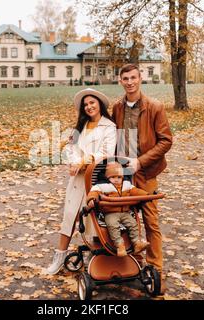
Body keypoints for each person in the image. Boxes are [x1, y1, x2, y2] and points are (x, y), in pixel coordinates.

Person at [111, 64, 173, 292]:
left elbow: (166, 141)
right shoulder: (117, 107)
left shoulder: (154, 107)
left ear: (140, 78)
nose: (130, 82)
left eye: (133, 78)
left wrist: (141, 161)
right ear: (120, 81)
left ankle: (156, 270)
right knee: (123, 218)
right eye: (125, 78)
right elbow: (108, 132)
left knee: (150, 221)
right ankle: (132, 264)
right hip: (123, 175)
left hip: (145, 172)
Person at [45, 88, 117, 275]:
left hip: (96, 178)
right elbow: (70, 148)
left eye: (92, 103)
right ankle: (59, 257)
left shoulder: (109, 126)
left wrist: (84, 161)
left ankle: (96, 259)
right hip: (77, 179)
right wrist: (72, 162)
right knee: (70, 215)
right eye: (85, 105)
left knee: (93, 218)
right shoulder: (81, 126)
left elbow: (106, 152)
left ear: (99, 104)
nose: (89, 107)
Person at [86, 162, 149, 257]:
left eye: (119, 177)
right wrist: (91, 199)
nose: (116, 180)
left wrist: (146, 195)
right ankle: (120, 245)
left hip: (125, 212)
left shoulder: (127, 185)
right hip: (110, 213)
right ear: (107, 177)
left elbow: (136, 191)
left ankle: (137, 243)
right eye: (113, 177)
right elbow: (93, 193)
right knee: (113, 225)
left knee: (133, 224)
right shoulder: (102, 186)